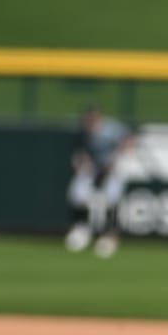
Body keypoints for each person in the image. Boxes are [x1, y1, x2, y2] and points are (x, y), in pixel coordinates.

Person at [64, 104, 133, 258]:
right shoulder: (83, 132)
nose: (90, 123)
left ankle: (110, 236)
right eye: (88, 120)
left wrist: (113, 163)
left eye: (93, 120)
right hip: (93, 167)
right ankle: (81, 229)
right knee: (77, 194)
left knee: (112, 197)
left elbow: (128, 142)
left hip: (113, 166)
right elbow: (80, 153)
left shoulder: (112, 129)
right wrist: (84, 164)